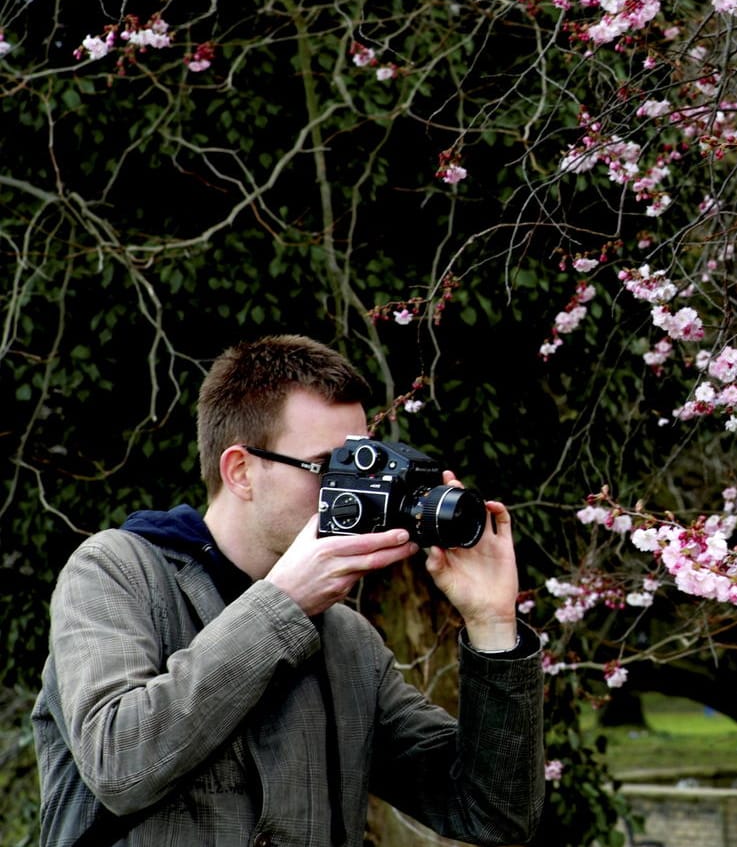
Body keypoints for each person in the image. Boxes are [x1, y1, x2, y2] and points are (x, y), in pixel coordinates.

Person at [33, 335, 545, 847]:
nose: (355, 492)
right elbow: (119, 766)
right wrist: (283, 607)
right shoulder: (115, 571)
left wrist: (493, 628)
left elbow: (493, 814)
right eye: (328, 468)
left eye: (364, 464)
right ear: (240, 471)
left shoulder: (347, 638)